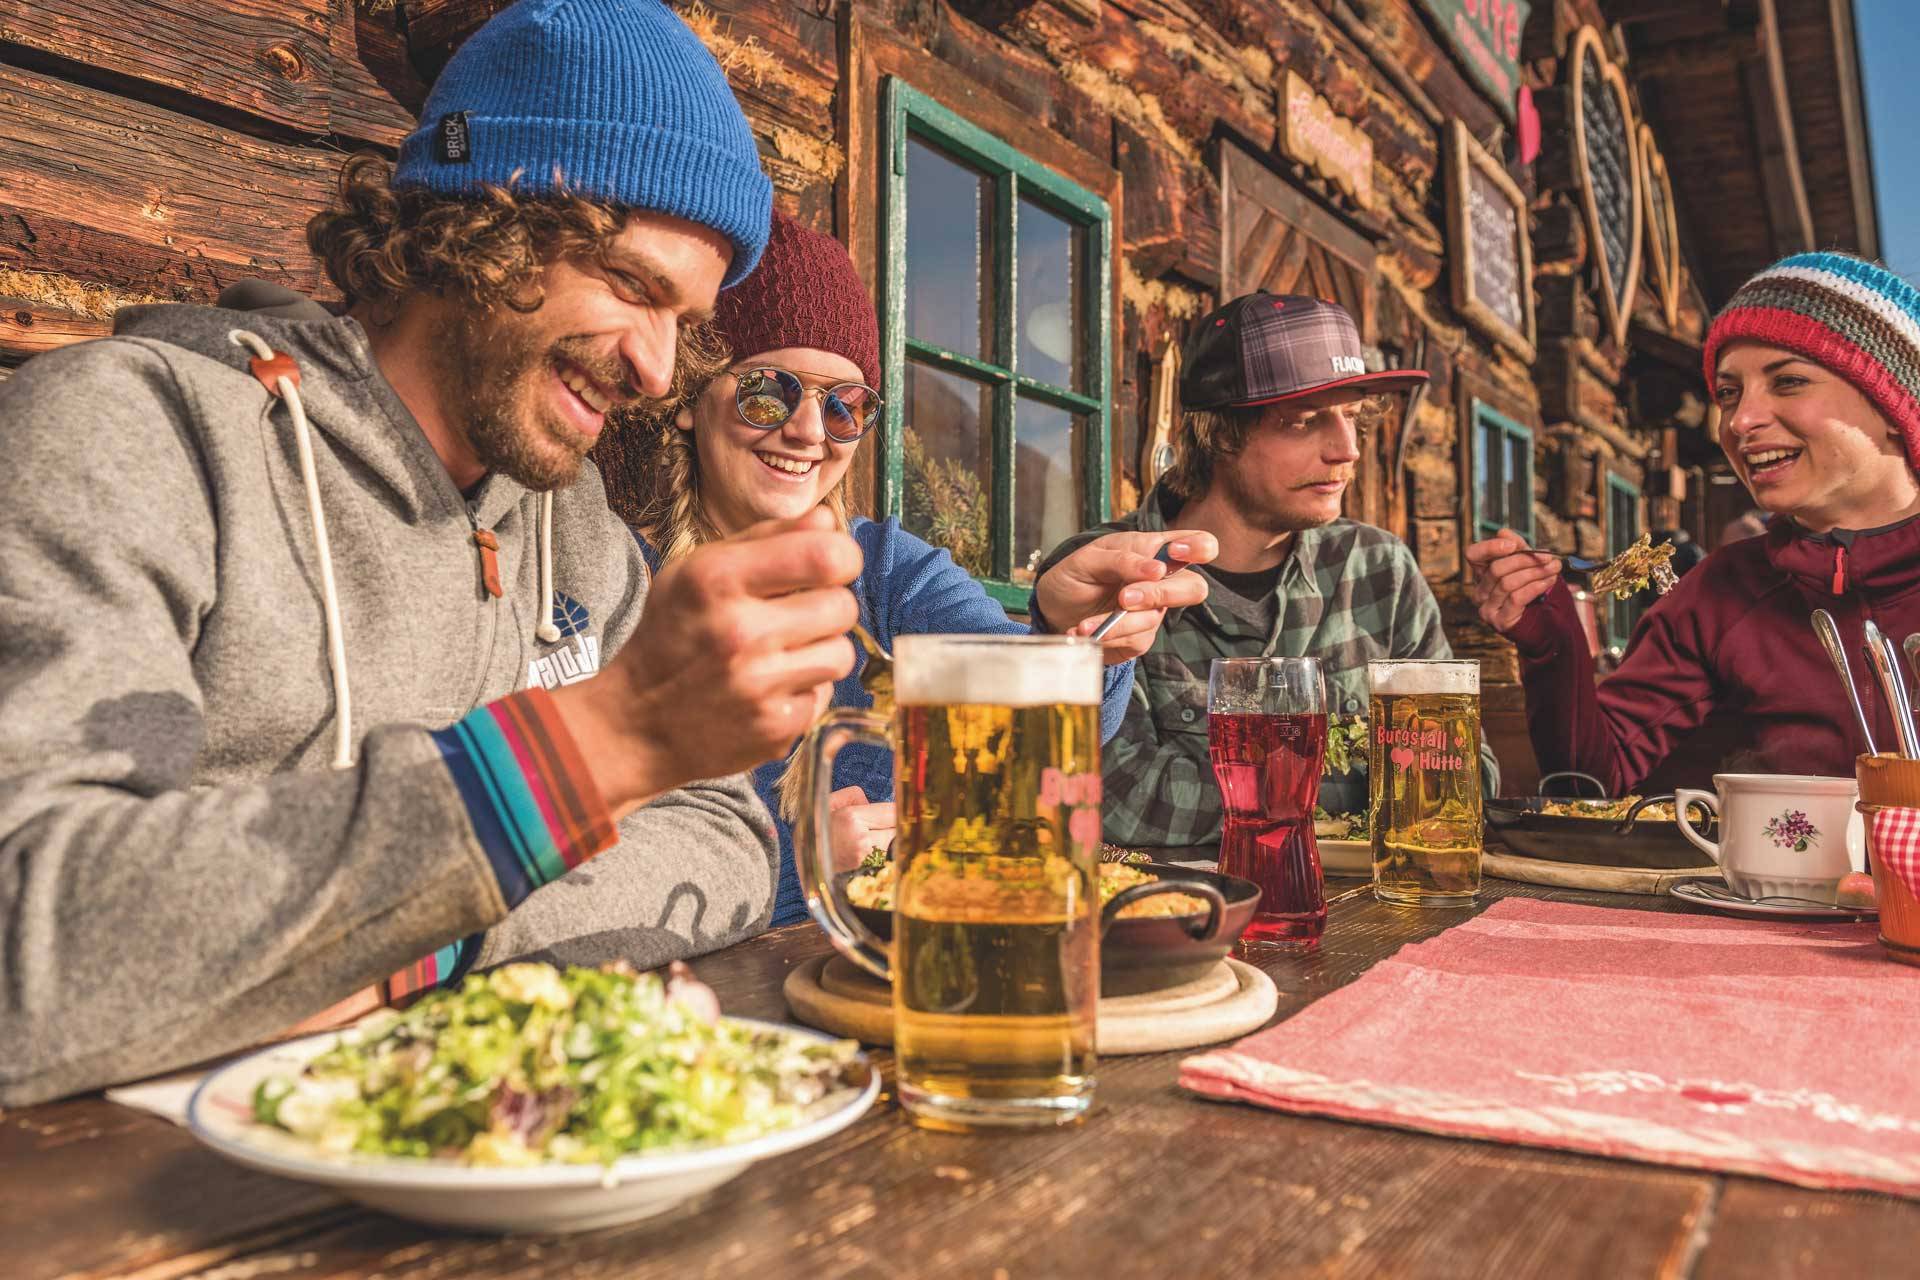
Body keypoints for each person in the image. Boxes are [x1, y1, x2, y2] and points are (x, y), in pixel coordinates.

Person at [0, 0, 861, 1105]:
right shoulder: (138, 435)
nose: (659, 369)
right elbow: (35, 942)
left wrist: (415, 946)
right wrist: (594, 749)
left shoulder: (582, 533)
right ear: (482, 221)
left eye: (683, 316)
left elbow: (721, 833)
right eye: (633, 284)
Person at [601, 212, 1216, 925]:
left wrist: (1071, 638)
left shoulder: (885, 572)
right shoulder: (611, 579)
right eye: (768, 390)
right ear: (689, 398)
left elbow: (1033, 725)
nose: (807, 431)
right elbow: (582, 878)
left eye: (844, 406)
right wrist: (795, 872)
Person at [1035, 292, 1490, 849]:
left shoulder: (1379, 568)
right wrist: (1354, 791)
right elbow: (1124, 804)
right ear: (1220, 434)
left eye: (1351, 416)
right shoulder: (1105, 573)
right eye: (1303, 422)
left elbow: (1464, 776)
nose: (1346, 450)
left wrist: (1254, 790)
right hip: (1186, 919)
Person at [1467, 251, 1920, 793]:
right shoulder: (1722, 592)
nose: (1740, 420)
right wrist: (1552, 642)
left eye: (1789, 381)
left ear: (1894, 404)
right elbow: (1589, 784)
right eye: (1729, 393)